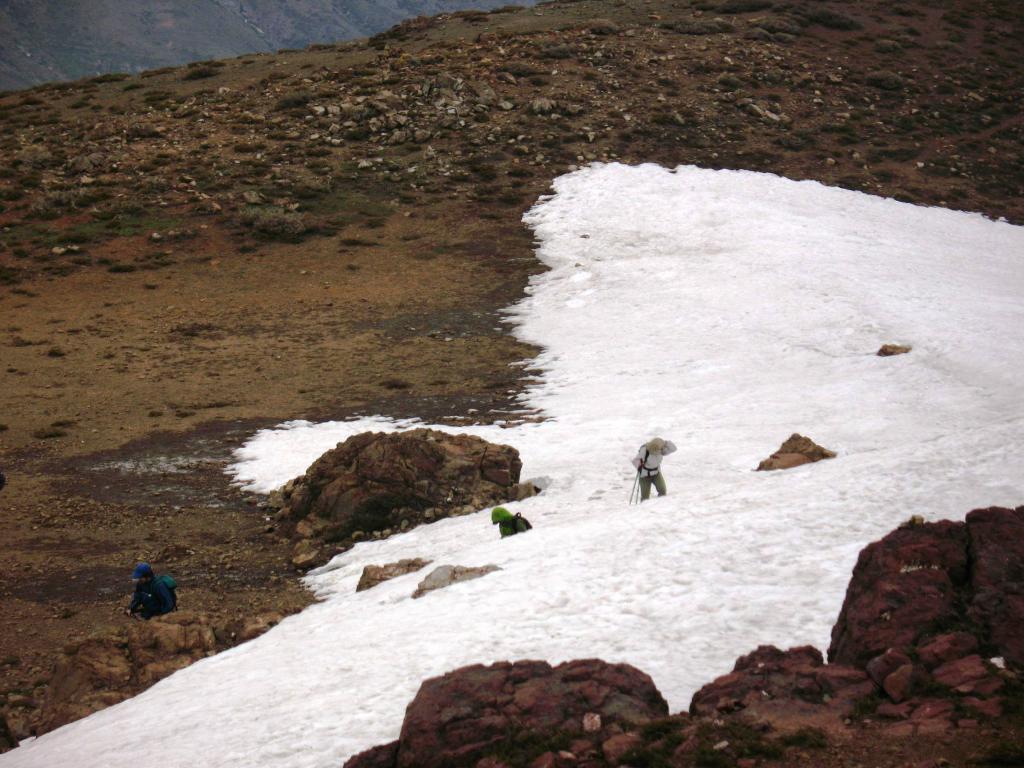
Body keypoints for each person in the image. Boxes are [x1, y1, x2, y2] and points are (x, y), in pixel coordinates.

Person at [631, 437, 677, 501]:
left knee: (662, 491)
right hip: (644, 476)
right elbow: (635, 461)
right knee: (645, 498)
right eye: (661, 447)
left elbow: (674, 449)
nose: (662, 448)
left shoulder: (661, 450)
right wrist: (640, 468)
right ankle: (643, 509)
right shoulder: (645, 450)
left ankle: (659, 505)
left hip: (656, 474)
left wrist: (665, 442)